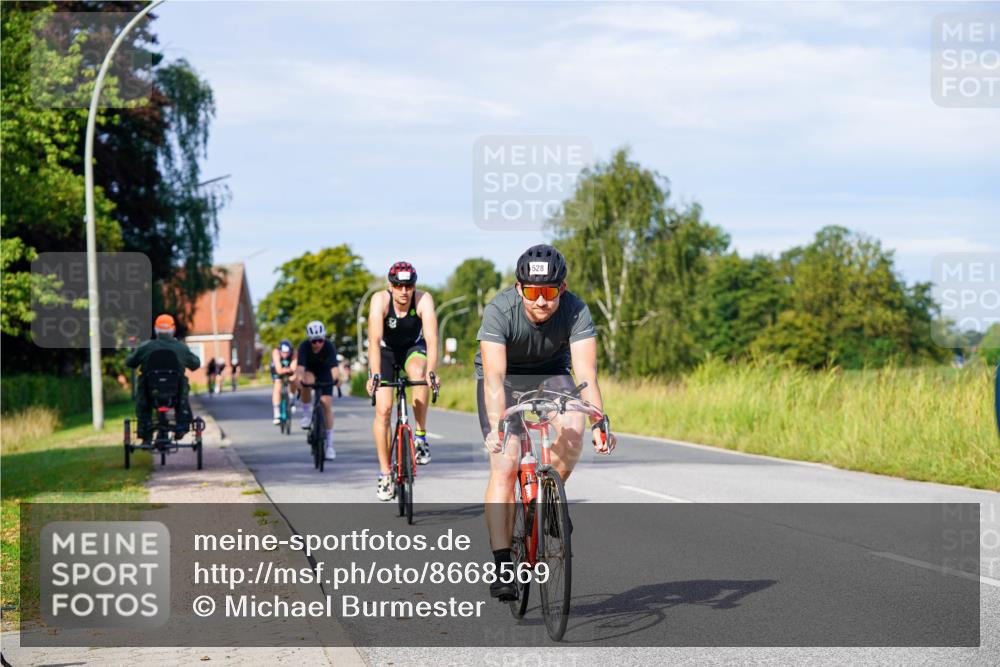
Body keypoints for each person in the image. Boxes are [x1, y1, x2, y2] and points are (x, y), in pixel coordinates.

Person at [476, 244, 616, 600]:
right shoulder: (499, 311)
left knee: (574, 429)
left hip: (552, 374)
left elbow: (586, 372)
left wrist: (600, 421)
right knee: (506, 464)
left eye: (550, 292)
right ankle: (503, 563)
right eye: (534, 292)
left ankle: (547, 499)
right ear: (520, 288)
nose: (542, 301)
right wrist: (497, 426)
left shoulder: (576, 310)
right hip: (504, 381)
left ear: (562, 289)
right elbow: (493, 379)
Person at [366, 261, 440, 501]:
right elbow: (374, 340)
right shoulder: (380, 300)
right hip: (385, 353)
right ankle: (385, 473)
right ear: (391, 285)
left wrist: (432, 371)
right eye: (398, 286)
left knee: (419, 374)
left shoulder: (423, 300)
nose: (404, 291)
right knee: (384, 409)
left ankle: (420, 437)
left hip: (412, 349)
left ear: (414, 286)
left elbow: (432, 339)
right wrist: (375, 374)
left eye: (408, 286)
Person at [125, 314, 200, 442]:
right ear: (173, 329)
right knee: (182, 380)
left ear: (156, 329)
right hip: (175, 393)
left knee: (143, 382)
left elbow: (130, 362)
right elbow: (195, 364)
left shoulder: (145, 347)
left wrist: (133, 350)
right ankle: (181, 424)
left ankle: (145, 431)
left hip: (150, 393)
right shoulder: (181, 348)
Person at [295, 320, 337, 461]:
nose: (317, 344)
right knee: (306, 381)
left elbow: (335, 369)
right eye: (314, 341)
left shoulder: (329, 346)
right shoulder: (304, 347)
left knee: (326, 404)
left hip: (325, 372)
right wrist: (299, 379)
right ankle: (307, 415)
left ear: (324, 338)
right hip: (310, 371)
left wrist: (336, 380)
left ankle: (330, 446)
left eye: (320, 340)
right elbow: (300, 368)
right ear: (309, 340)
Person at [270, 339, 297, 424]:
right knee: (277, 386)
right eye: (283, 352)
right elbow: (278, 369)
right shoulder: (276, 352)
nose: (285, 354)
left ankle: (292, 398)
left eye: (287, 352)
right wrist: (283, 370)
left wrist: (291, 372)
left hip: (289, 369)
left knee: (294, 379)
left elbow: (294, 367)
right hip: (278, 369)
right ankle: (276, 412)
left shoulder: (294, 353)